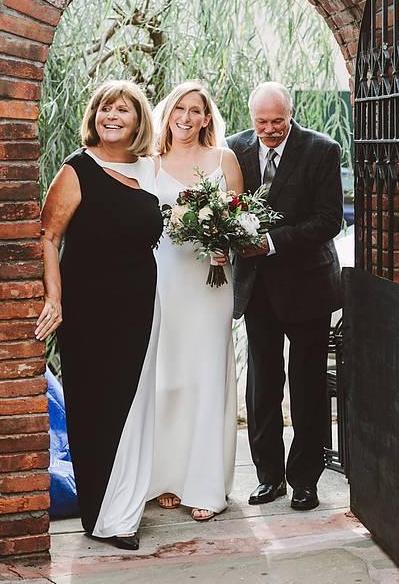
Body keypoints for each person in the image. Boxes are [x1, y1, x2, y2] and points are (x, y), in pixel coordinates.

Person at [36, 80, 162, 551]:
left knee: (134, 406)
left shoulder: (150, 171)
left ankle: (125, 510)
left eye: (123, 110)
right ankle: (101, 516)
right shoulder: (76, 169)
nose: (112, 116)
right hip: (89, 309)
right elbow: (48, 236)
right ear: (94, 115)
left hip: (142, 305)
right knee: (94, 408)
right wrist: (55, 300)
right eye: (105, 108)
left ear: (137, 121)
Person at [227, 81, 343, 512]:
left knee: (307, 385)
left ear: (290, 114)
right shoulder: (232, 149)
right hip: (256, 289)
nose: (270, 130)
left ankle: (305, 480)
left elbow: (329, 220)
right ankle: (268, 476)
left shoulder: (322, 149)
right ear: (250, 116)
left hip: (308, 284)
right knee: (262, 386)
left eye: (278, 121)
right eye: (262, 122)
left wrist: (272, 242)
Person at [140, 81, 243, 522]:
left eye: (195, 110)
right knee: (167, 377)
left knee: (206, 374)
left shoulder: (224, 160)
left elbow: (241, 220)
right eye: (179, 107)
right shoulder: (148, 163)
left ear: (206, 117)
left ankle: (205, 484)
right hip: (163, 281)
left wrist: (228, 246)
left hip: (210, 282)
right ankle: (167, 476)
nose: (185, 116)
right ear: (168, 112)